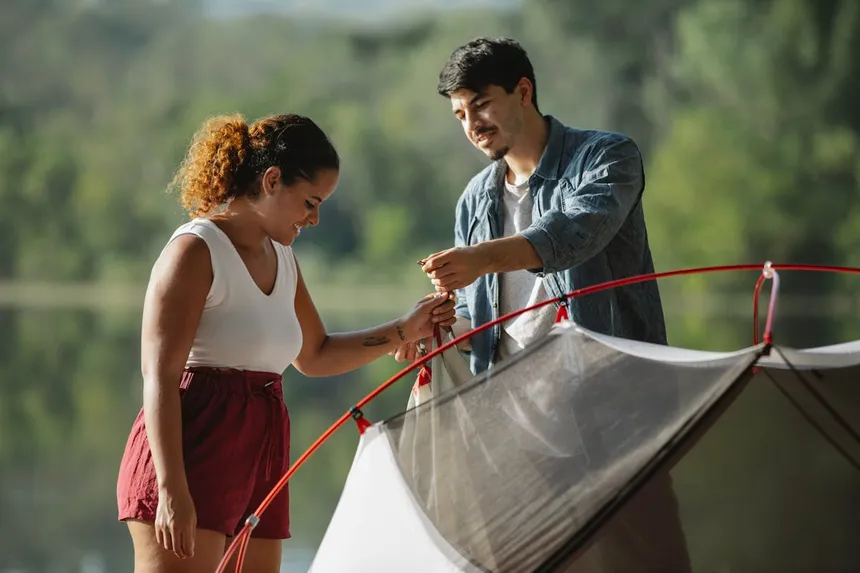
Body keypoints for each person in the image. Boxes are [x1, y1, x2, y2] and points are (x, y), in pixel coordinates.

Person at [394, 38, 692, 571]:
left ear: (523, 91)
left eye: (481, 103)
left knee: (648, 559)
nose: (471, 124)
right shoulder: (474, 200)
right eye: (460, 113)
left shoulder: (607, 156)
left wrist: (481, 258)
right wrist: (437, 328)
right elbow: (475, 312)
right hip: (511, 425)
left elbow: (573, 233)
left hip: (617, 415)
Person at [116, 112, 456, 573]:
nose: (314, 219)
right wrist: (172, 488)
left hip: (262, 450)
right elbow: (159, 378)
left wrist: (405, 329)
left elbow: (314, 355)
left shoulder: (283, 259)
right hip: (190, 450)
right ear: (272, 180)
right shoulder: (194, 251)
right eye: (310, 202)